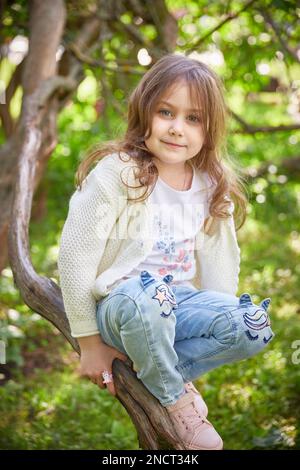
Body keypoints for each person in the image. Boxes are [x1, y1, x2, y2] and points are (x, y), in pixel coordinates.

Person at [57, 53, 275, 450]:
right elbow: (75, 255)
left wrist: (220, 314)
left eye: (193, 118)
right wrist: (89, 344)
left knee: (254, 325)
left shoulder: (210, 183)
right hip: (123, 302)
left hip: (179, 301)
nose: (177, 129)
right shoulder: (117, 173)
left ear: (210, 129)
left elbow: (220, 261)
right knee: (151, 298)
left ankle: (158, 371)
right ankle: (177, 401)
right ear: (145, 112)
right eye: (166, 112)